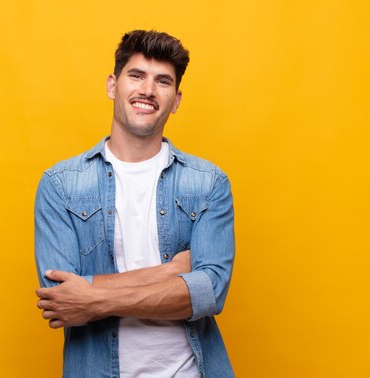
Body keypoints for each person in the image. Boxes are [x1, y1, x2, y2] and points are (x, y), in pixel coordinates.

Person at [34, 30, 235, 377]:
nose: (148, 90)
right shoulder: (60, 185)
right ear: (113, 86)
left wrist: (93, 298)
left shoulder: (208, 183)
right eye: (136, 76)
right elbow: (61, 299)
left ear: (176, 100)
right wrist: (172, 271)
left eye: (163, 81)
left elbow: (209, 293)